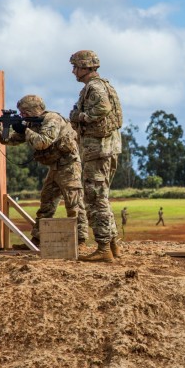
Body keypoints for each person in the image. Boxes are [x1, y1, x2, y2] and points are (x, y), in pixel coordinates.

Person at [0, 94, 88, 249]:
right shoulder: (31, 123)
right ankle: (37, 241)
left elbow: (42, 142)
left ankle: (81, 241)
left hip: (68, 166)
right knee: (47, 203)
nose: (22, 115)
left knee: (74, 203)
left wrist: (25, 129)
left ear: (33, 110)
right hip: (55, 167)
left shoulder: (52, 119)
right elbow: (11, 140)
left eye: (24, 112)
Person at [69, 50, 123, 262]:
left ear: (85, 67)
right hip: (107, 149)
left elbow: (102, 107)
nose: (73, 71)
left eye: (76, 67)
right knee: (102, 198)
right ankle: (112, 245)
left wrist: (81, 117)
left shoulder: (94, 87)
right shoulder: (104, 85)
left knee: (94, 198)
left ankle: (103, 249)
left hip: (97, 150)